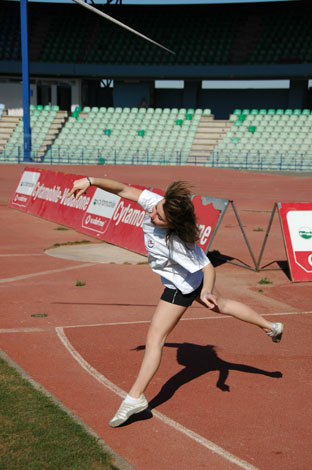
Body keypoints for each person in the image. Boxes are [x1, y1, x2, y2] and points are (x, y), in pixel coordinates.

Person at [68, 176, 284, 428]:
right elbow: (124, 189)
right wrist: (90, 181)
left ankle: (134, 398)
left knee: (154, 340)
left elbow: (208, 268)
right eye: (156, 210)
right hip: (190, 281)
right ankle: (271, 327)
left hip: (180, 288)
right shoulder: (160, 204)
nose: (153, 215)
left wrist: (206, 291)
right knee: (222, 306)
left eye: (159, 217)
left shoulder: (178, 243)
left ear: (173, 224)